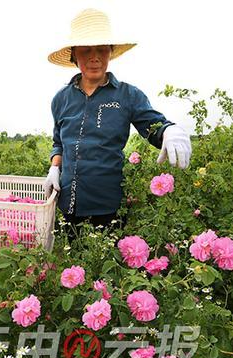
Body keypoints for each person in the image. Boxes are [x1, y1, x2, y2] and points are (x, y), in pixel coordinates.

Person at [44, 8, 192, 229]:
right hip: (67, 204)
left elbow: (152, 125)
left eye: (101, 50)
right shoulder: (61, 99)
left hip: (108, 206)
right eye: (86, 50)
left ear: (110, 52)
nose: (94, 57)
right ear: (74, 55)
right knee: (69, 260)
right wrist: (55, 168)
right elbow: (58, 142)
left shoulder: (128, 95)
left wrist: (168, 131)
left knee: (107, 260)